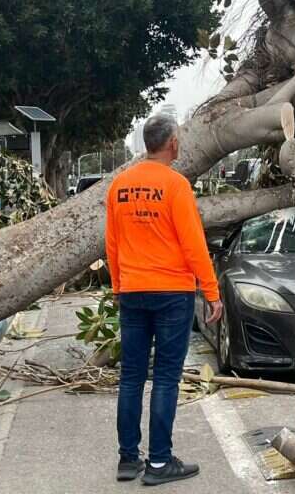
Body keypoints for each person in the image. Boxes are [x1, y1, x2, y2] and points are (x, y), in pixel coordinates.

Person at [105, 114, 223, 485]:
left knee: (131, 377)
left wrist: (119, 285)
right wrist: (211, 291)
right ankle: (158, 463)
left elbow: (112, 243)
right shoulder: (176, 186)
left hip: (133, 291)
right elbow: (193, 244)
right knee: (166, 378)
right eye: (179, 138)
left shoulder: (119, 186)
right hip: (172, 293)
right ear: (171, 143)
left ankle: (128, 459)